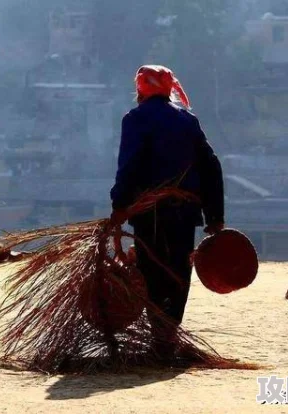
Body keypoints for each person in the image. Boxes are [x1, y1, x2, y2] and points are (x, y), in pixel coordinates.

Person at [110, 65, 225, 358]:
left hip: (150, 214)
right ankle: (168, 336)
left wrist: (119, 207)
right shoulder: (188, 120)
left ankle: (160, 338)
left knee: (151, 270)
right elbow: (211, 166)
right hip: (185, 213)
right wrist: (215, 216)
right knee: (178, 271)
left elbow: (129, 168)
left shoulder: (136, 120)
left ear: (141, 90)